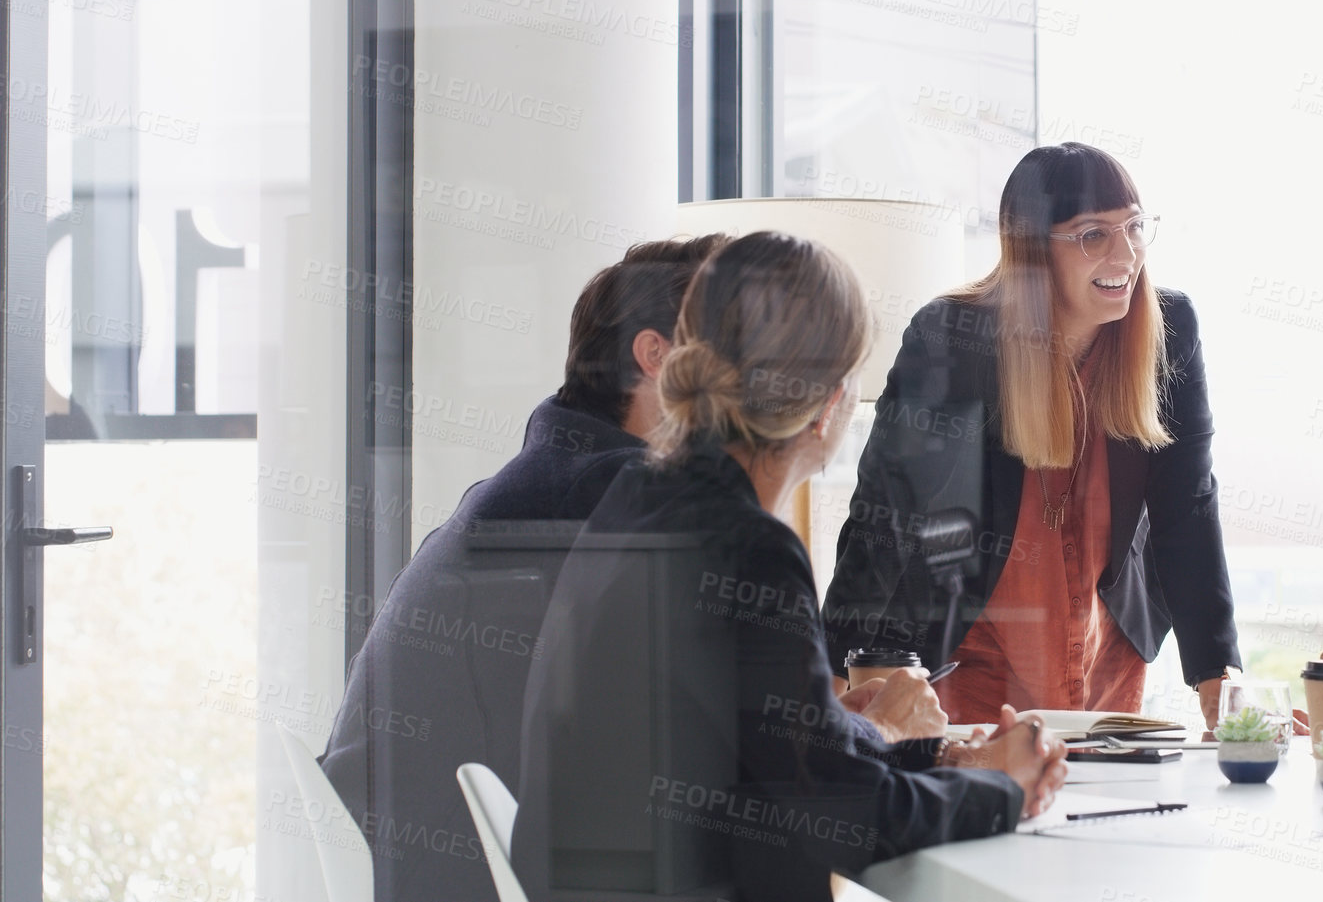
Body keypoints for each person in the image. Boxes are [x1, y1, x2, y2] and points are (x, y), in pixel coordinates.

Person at [318, 235, 941, 902]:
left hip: (422, 853)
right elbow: (786, 790)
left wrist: (826, 727)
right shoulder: (625, 496)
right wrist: (877, 734)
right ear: (658, 356)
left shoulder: (560, 476)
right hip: (453, 868)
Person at [511, 232, 1065, 900]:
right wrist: (1001, 786)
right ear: (830, 403)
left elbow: (788, 764)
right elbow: (839, 817)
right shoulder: (748, 547)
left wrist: (927, 751)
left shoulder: (643, 497)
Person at [824, 142, 1242, 727]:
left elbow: (1188, 509)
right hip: (972, 651)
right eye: (1093, 234)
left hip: (1106, 647)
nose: (1126, 254)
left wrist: (1217, 672)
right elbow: (883, 512)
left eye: (1135, 228)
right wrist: (833, 670)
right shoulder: (952, 336)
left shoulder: (1170, 330)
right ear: (1031, 249)